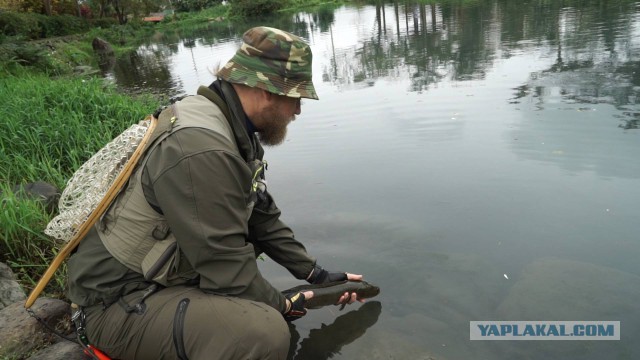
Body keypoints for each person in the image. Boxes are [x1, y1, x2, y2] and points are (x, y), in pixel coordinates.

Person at [66, 26, 364, 360]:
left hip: (156, 284)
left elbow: (261, 216)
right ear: (266, 90)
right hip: (115, 304)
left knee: (257, 302)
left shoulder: (232, 129)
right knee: (264, 334)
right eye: (295, 98)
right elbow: (224, 263)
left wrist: (315, 275)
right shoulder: (201, 148)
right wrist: (283, 304)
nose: (297, 111)